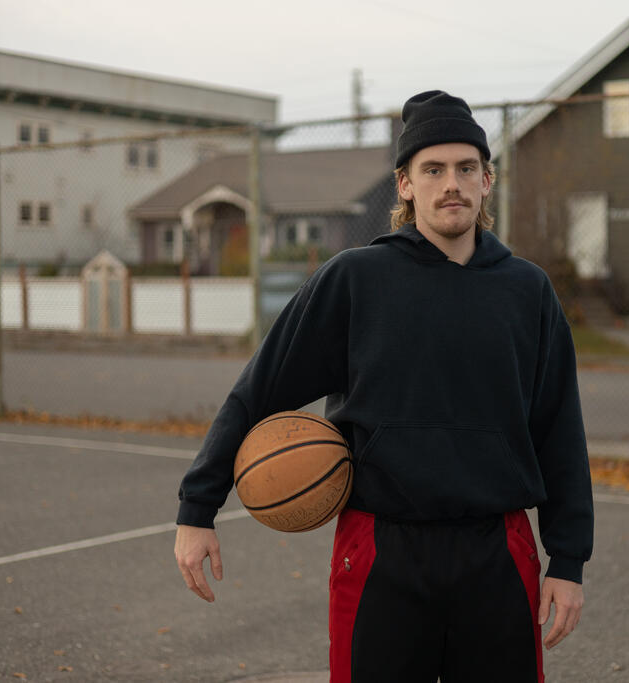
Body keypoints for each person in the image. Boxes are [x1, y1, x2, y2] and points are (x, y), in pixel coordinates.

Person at [175, 90, 593, 683]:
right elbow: (260, 388)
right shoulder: (356, 279)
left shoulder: (527, 292)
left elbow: (559, 430)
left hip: (497, 549)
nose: (451, 183)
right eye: (433, 169)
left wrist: (568, 559)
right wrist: (198, 507)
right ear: (404, 184)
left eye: (466, 168)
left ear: (487, 179)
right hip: (380, 548)